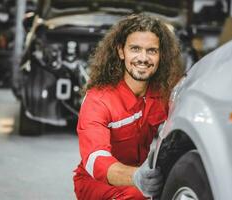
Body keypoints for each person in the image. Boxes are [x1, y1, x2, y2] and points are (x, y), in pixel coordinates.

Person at [73, 13, 184, 200]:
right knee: (138, 196)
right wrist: (135, 177)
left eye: (151, 51)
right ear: (121, 51)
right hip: (96, 182)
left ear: (160, 55)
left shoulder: (162, 94)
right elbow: (95, 159)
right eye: (135, 49)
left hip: (141, 178)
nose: (143, 58)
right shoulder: (98, 100)